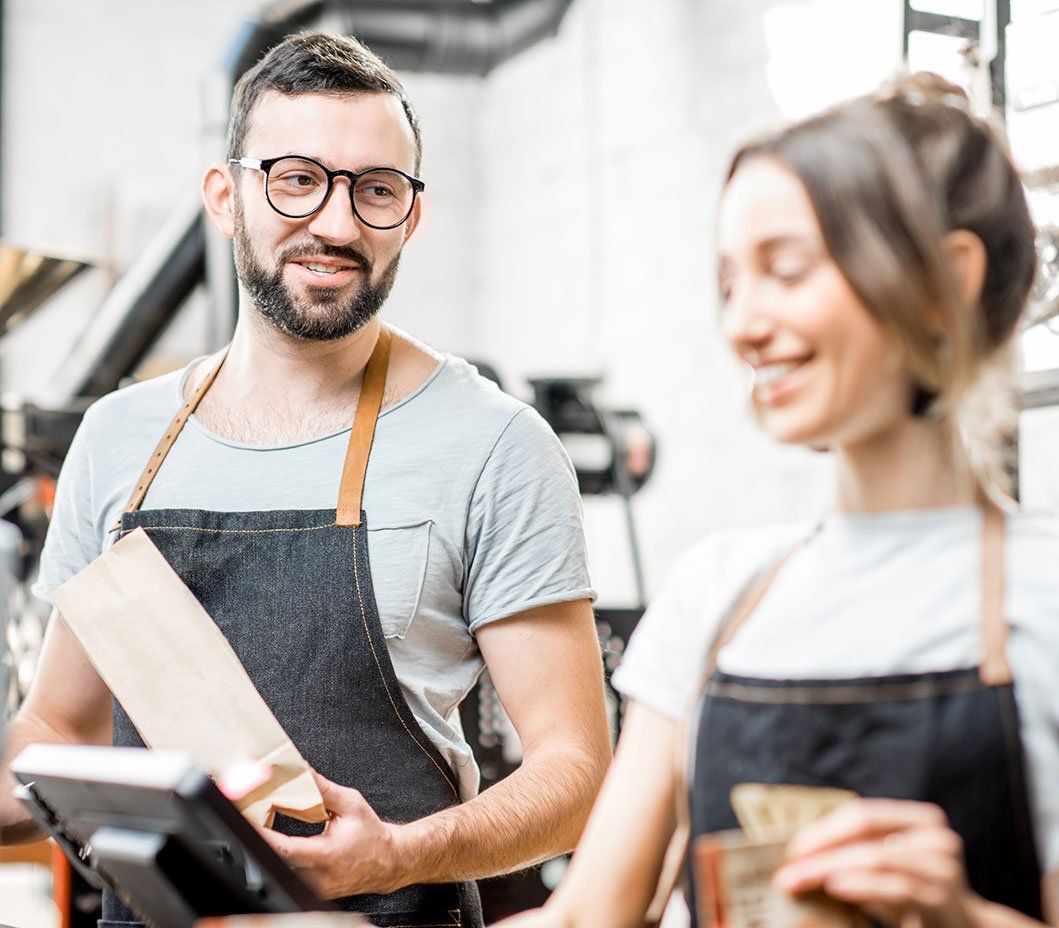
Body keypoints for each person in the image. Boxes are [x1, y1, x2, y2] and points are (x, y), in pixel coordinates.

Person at [499, 73, 1059, 928]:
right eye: (730, 282)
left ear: (947, 282)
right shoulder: (715, 595)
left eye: (787, 271)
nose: (744, 325)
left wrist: (964, 919)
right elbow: (584, 919)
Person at [0, 32, 612, 928]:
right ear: (226, 196)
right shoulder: (118, 437)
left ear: (412, 215)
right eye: (296, 177)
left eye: (375, 189)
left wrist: (398, 855)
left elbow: (575, 773)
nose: (335, 223)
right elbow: (57, 729)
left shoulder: (495, 445)